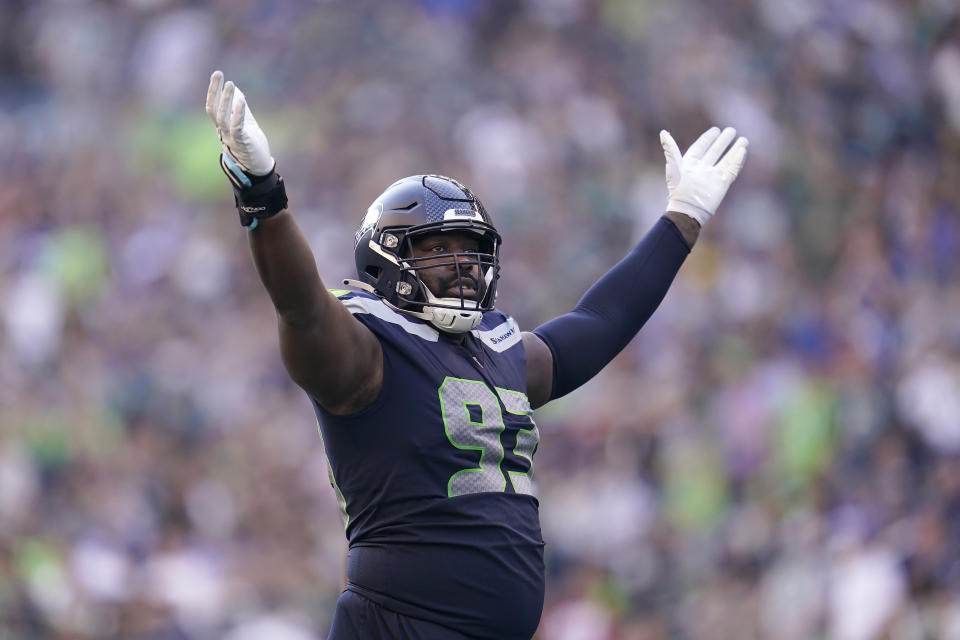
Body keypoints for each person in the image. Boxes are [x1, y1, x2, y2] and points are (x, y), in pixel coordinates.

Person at [205, 70, 748, 640]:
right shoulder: (368, 345)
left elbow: (597, 324)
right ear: (385, 260)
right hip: (402, 626)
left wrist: (682, 218)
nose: (463, 265)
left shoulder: (496, 348)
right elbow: (300, 305)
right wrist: (264, 194)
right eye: (438, 249)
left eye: (471, 250)